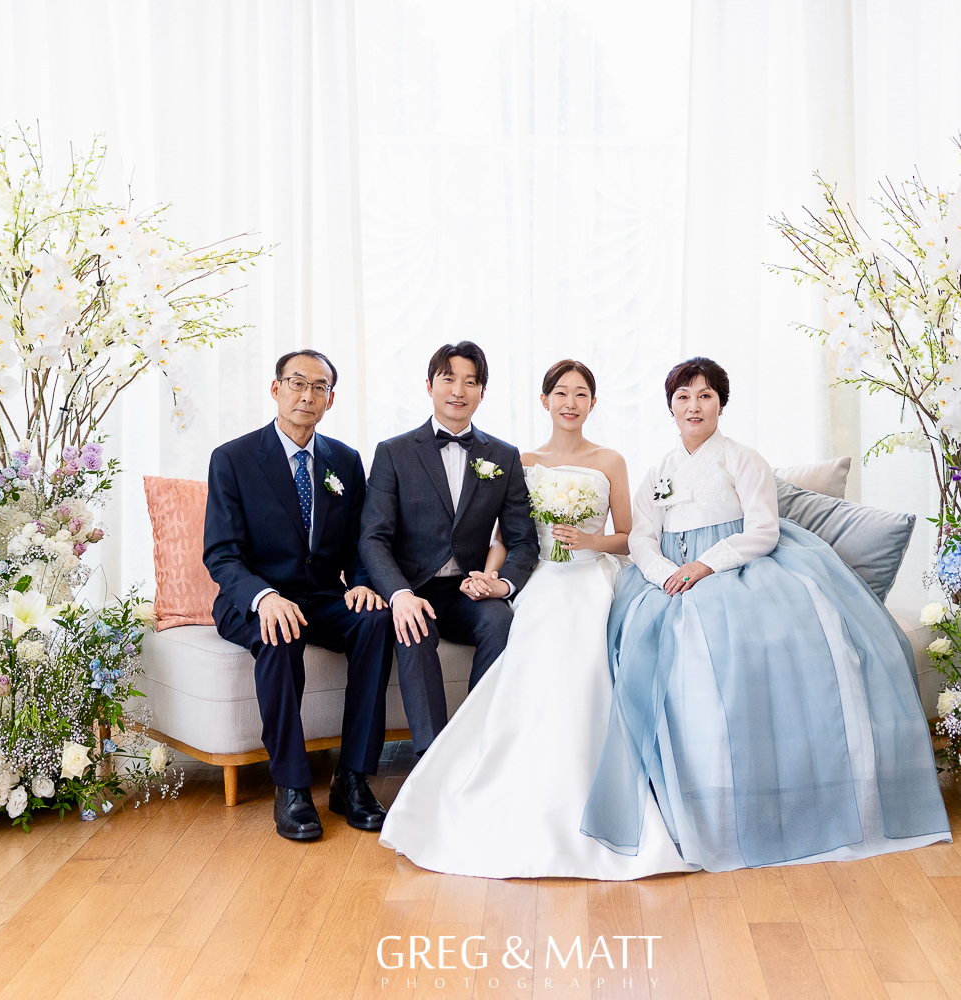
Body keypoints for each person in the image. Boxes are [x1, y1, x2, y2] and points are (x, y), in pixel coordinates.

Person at [581, 357, 951, 871]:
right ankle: (685, 800)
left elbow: (762, 529)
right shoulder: (658, 471)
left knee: (749, 640)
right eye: (684, 396)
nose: (694, 406)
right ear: (671, 406)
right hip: (670, 573)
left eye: (705, 396)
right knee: (648, 636)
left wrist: (705, 566)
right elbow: (642, 536)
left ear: (721, 404)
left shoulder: (743, 458)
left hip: (736, 565)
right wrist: (666, 573)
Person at [378, 361, 694, 879]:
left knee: (583, 640)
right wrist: (488, 578)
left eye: (581, 394)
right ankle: (495, 769)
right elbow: (508, 539)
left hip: (592, 574)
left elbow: (631, 536)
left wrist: (591, 541)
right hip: (539, 574)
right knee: (528, 629)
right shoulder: (518, 460)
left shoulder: (610, 460)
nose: (571, 402)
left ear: (593, 403)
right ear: (544, 400)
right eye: (561, 393)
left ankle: (587, 778)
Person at [204, 350, 396, 841]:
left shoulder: (345, 461)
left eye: (319, 387)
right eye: (297, 383)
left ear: (330, 399)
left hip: (321, 596)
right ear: (276, 389)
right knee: (280, 630)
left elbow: (358, 544)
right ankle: (291, 786)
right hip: (254, 599)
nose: (307, 395)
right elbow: (221, 554)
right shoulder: (233, 459)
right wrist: (264, 595)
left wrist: (361, 583)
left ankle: (352, 778)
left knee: (376, 621)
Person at [359, 342, 540, 752]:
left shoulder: (504, 456)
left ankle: (477, 745)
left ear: (482, 392)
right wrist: (399, 594)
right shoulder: (393, 452)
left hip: (467, 590)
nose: (458, 390)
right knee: (413, 627)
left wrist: (502, 584)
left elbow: (522, 539)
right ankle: (432, 757)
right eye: (448, 379)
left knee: (500, 621)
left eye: (470, 382)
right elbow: (373, 537)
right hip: (413, 587)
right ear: (429, 386)